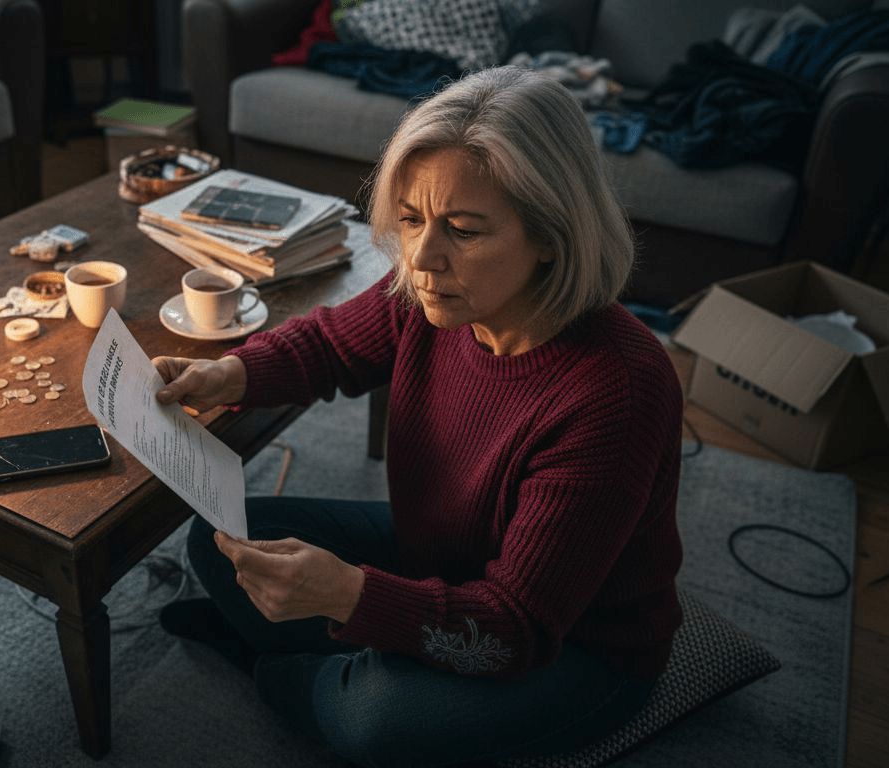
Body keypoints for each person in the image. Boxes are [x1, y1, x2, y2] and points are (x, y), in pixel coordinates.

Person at [151, 64, 684, 767]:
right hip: (443, 554)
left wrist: (350, 596)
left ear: (552, 233)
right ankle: (358, 649)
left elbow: (513, 629)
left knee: (377, 720)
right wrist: (231, 370)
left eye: (463, 230)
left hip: (577, 649)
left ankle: (289, 677)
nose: (423, 258)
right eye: (410, 219)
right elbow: (330, 344)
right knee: (219, 536)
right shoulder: (431, 295)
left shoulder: (615, 394)